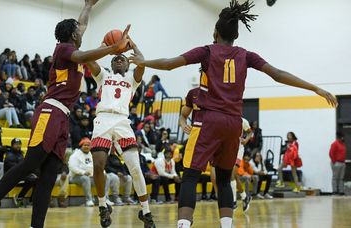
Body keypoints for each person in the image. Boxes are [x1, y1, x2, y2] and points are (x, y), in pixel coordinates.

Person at [129, 1, 337, 226]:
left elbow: (170, 64)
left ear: (215, 33)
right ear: (236, 36)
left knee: (190, 175)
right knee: (225, 179)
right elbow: (277, 74)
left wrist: (143, 61)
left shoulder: (207, 51)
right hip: (234, 123)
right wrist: (315, 87)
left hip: (209, 120)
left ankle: (183, 225)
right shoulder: (246, 55)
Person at [0, 0, 132, 227]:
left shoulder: (72, 44)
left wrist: (88, 6)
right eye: (78, 31)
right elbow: (83, 55)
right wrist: (113, 49)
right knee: (31, 162)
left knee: (48, 176)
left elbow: (82, 25)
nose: (81, 31)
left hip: (62, 117)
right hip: (50, 110)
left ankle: (36, 225)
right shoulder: (65, 49)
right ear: (72, 35)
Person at [86, 40, 156, 227]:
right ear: (110, 63)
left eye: (122, 58)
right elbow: (88, 58)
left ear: (127, 65)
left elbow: (141, 61)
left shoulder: (132, 79)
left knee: (135, 167)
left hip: (123, 122)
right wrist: (104, 44)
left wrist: (133, 45)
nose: (118, 59)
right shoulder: (103, 76)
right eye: (115, 58)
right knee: (98, 165)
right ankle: (103, 206)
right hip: (103, 120)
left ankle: (146, 211)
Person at [4, 138, 38, 207]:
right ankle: (19, 197)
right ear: (12, 145)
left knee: (37, 178)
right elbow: (15, 169)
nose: (18, 146)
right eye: (16, 144)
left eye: (19, 144)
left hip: (20, 176)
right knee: (31, 179)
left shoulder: (20, 154)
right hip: (12, 178)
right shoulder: (9, 155)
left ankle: (32, 201)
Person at [231, 117, 252, 211]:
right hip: (227, 151)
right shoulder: (223, 119)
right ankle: (244, 197)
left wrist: (246, 139)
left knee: (232, 174)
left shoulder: (243, 121)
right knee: (234, 176)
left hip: (238, 150)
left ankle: (234, 202)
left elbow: (250, 132)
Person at [68, 138, 95, 207]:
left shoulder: (92, 155)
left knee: (104, 177)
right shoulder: (75, 155)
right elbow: (72, 167)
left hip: (90, 176)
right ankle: (89, 200)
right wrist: (83, 172)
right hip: (75, 177)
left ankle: (105, 199)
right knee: (85, 178)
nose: (86, 147)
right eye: (84, 145)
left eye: (88, 145)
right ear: (81, 146)